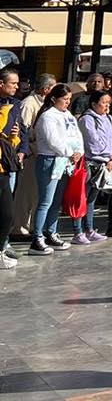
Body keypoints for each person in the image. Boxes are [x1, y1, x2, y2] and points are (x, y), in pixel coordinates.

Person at [30, 84, 83, 254]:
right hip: (50, 159)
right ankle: (37, 237)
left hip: (65, 161)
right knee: (46, 201)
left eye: (69, 99)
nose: (68, 103)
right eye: (64, 99)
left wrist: (78, 152)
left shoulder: (68, 115)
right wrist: (69, 152)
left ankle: (51, 232)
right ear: (54, 99)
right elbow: (53, 140)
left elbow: (77, 135)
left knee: (56, 201)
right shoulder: (47, 116)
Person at [78, 89, 112, 243]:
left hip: (105, 163)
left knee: (92, 199)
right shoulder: (87, 119)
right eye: (103, 102)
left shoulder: (109, 118)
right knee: (84, 197)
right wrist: (107, 155)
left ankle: (89, 228)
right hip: (91, 162)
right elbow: (92, 142)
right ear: (94, 104)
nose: (106, 106)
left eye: (109, 103)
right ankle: (79, 230)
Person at [1, 68, 22, 269]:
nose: (17, 86)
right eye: (13, 83)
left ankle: (2, 247)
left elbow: (17, 134)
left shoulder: (15, 105)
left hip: (6, 164)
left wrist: (14, 138)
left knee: (7, 212)